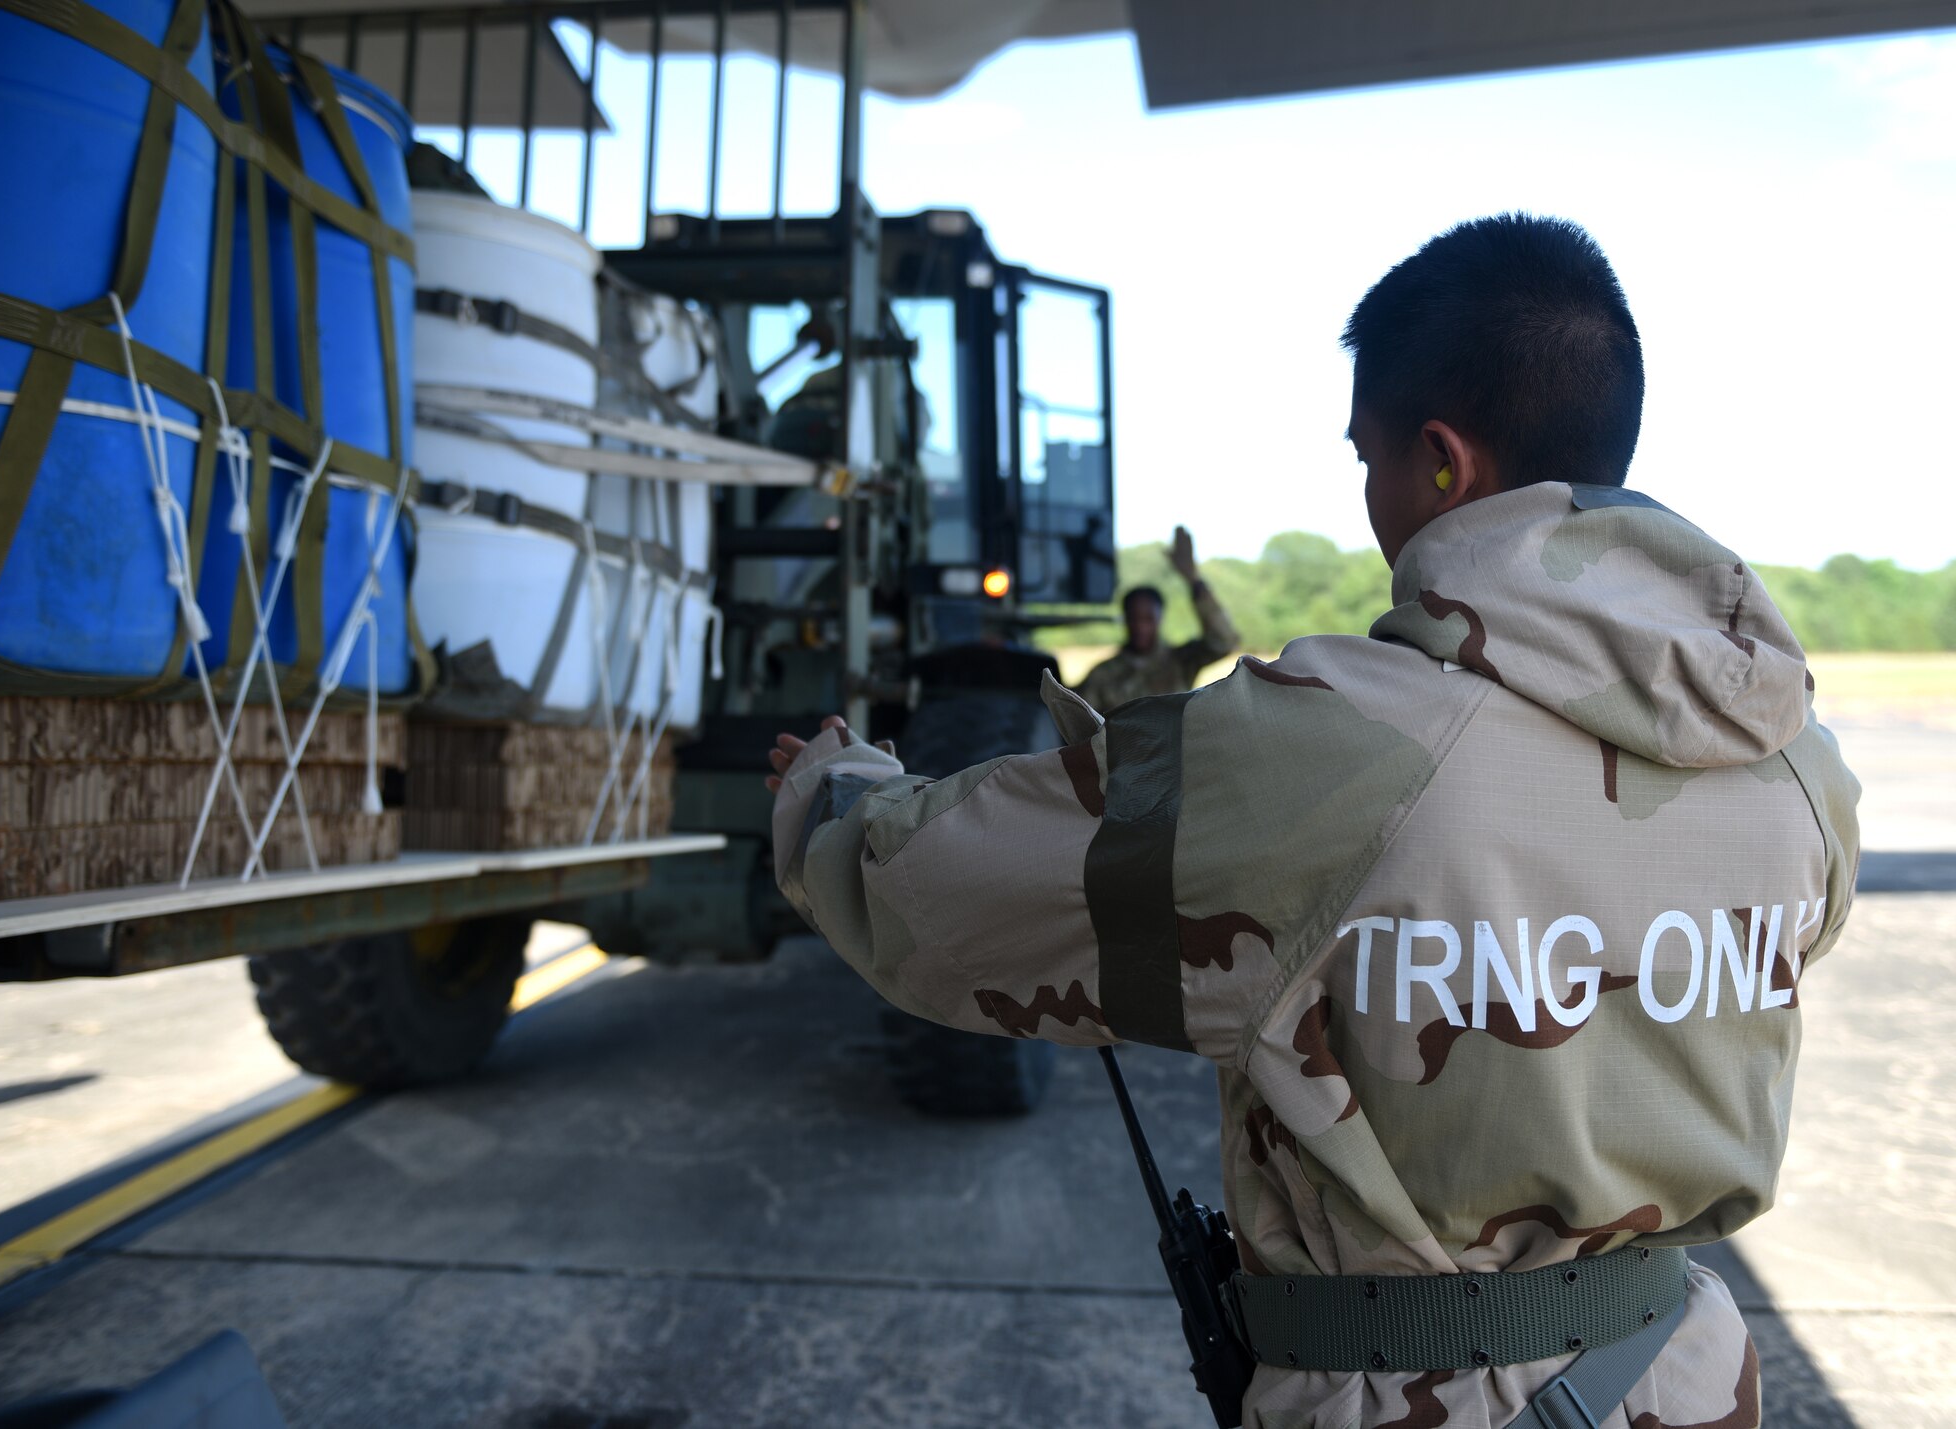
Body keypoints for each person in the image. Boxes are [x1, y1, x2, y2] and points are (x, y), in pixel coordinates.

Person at [765, 213, 1858, 1429]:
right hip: (1689, 1374)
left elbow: (936, 900)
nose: (1368, 496)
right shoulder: (1795, 758)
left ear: (1442, 464)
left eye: (1367, 457)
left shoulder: (1326, 750)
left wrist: (833, 787)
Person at [1076, 526, 1243, 713]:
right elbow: (1077, 723)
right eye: (1134, 618)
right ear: (1125, 620)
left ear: (1160, 618)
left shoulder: (1180, 662)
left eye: (1148, 618)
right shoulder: (1103, 675)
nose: (1140, 626)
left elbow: (1224, 641)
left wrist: (1193, 580)